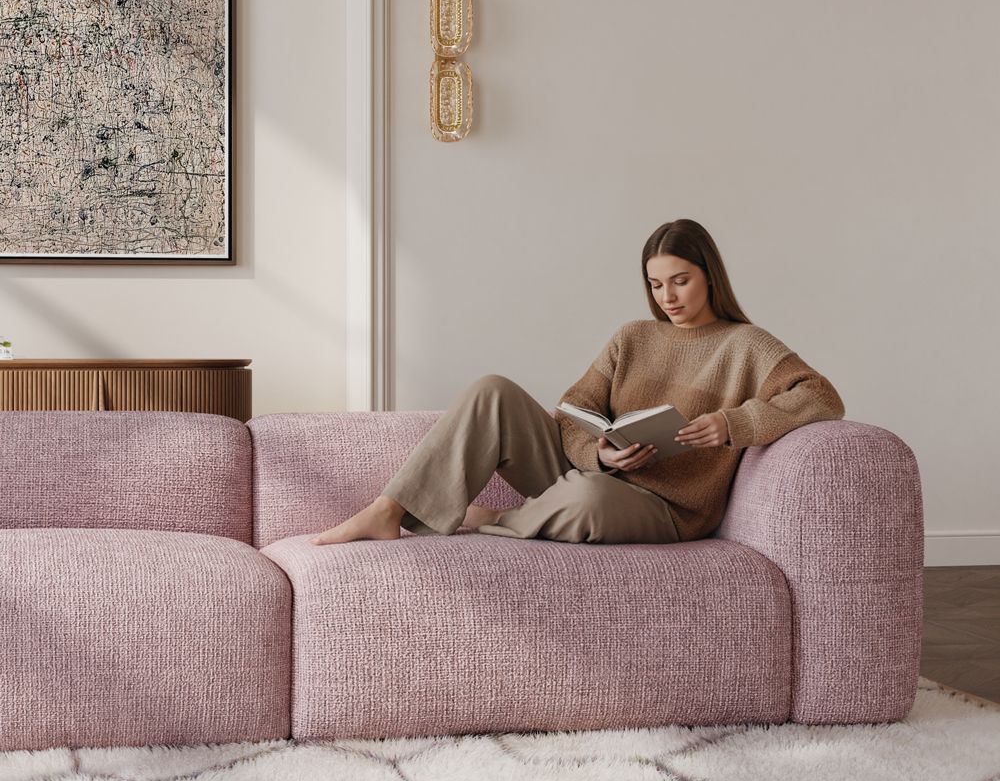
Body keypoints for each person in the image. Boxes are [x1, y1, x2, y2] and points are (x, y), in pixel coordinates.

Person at [312, 218, 845, 547]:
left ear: (710, 275)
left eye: (681, 281)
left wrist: (733, 424)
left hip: (666, 507)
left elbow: (822, 397)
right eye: (656, 284)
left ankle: (504, 515)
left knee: (588, 497)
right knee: (491, 389)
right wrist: (600, 453)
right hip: (594, 474)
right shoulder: (633, 337)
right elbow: (572, 411)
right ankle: (388, 511)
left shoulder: (745, 344)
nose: (668, 297)